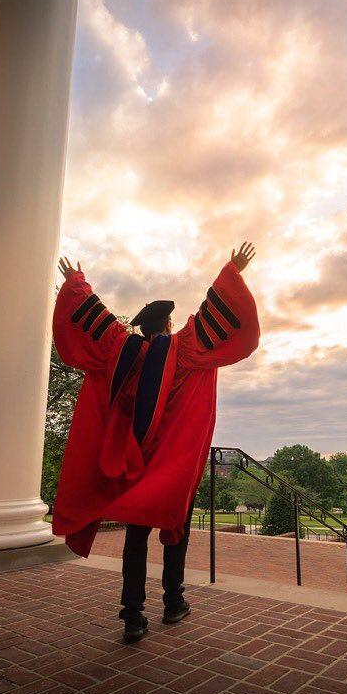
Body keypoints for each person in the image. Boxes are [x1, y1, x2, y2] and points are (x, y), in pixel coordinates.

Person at [51, 243, 259, 643]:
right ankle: (173, 603)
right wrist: (233, 269)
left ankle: (132, 616)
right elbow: (220, 320)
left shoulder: (120, 352)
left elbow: (93, 321)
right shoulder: (184, 352)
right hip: (170, 463)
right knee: (175, 526)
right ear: (166, 326)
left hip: (131, 461)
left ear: (143, 328)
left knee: (136, 535)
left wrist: (75, 282)